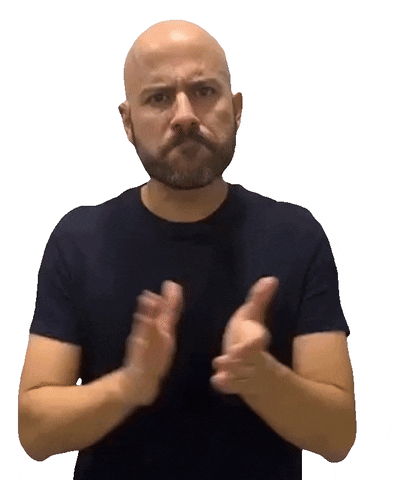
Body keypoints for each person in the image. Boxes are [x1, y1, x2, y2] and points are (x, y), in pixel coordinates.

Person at [18, 19, 356, 480]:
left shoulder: (295, 236)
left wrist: (260, 376)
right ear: (127, 122)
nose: (184, 115)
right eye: (159, 98)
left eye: (204, 91)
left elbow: (337, 437)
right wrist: (131, 384)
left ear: (236, 109)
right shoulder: (79, 240)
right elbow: (35, 433)